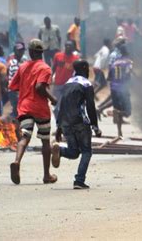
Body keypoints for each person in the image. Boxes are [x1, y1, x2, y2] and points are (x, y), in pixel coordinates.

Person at [9, 39, 58, 185]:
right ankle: (46, 175)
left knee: (24, 137)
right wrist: (53, 98)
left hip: (24, 107)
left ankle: (17, 162)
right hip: (40, 108)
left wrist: (25, 88)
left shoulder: (22, 67)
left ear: (30, 52)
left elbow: (13, 86)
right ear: (41, 53)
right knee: (45, 141)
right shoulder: (45, 68)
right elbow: (40, 87)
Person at [51, 60, 102, 189]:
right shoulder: (86, 84)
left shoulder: (68, 83)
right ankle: (79, 180)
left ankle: (60, 151)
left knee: (74, 152)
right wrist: (95, 126)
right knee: (86, 151)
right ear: (85, 68)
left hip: (66, 123)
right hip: (80, 122)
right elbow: (90, 106)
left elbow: (61, 105)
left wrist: (59, 127)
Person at [52, 41, 79, 119]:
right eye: (66, 45)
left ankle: (63, 125)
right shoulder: (58, 56)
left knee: (64, 107)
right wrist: (50, 78)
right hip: (57, 85)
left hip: (68, 86)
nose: (68, 47)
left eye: (69, 46)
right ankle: (59, 125)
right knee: (56, 107)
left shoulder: (75, 59)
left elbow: (77, 72)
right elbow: (53, 68)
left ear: (73, 48)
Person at [109, 45, 133, 137]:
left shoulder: (115, 62)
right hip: (123, 88)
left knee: (117, 108)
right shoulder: (128, 62)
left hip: (114, 88)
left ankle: (119, 132)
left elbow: (110, 76)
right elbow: (128, 73)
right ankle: (119, 113)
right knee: (128, 112)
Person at [6, 42, 28, 118]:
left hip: (23, 88)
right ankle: (14, 125)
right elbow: (7, 73)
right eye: (19, 50)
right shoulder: (11, 60)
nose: (21, 52)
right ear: (15, 51)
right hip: (13, 89)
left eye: (22, 50)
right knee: (16, 108)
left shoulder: (25, 59)